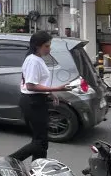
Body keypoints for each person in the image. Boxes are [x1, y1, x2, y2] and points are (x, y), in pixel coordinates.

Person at [10, 31, 70, 162]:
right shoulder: (33, 61)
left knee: (41, 142)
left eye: (49, 46)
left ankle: (37, 171)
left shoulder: (38, 59)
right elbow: (31, 85)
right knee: (40, 142)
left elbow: (40, 83)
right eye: (46, 46)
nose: (49, 49)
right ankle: (10, 160)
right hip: (32, 102)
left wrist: (50, 93)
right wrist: (57, 88)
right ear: (38, 46)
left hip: (37, 101)